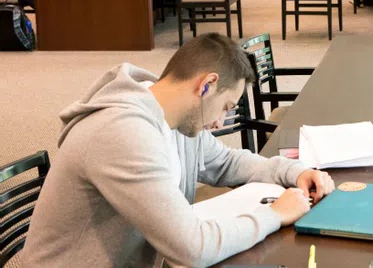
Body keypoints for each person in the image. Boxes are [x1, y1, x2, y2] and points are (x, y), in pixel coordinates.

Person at [23, 33, 335, 267]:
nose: (221, 121)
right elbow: (191, 249)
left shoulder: (174, 117)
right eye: (225, 107)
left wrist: (295, 172)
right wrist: (273, 215)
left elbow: (226, 162)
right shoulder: (123, 133)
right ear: (206, 85)